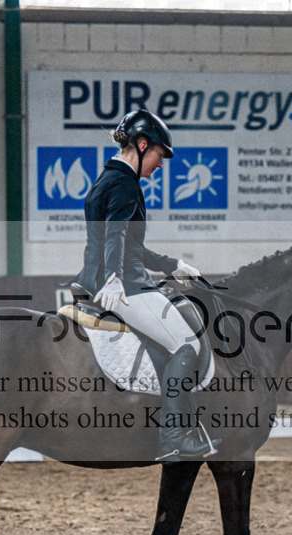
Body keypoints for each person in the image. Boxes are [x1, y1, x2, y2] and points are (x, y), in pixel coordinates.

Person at [72, 109, 220, 462]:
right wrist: (115, 278)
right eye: (158, 155)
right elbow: (115, 235)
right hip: (123, 288)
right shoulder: (125, 183)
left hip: (103, 280)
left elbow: (130, 245)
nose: (161, 164)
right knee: (187, 346)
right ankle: (173, 440)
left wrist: (174, 266)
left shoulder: (105, 179)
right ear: (141, 145)